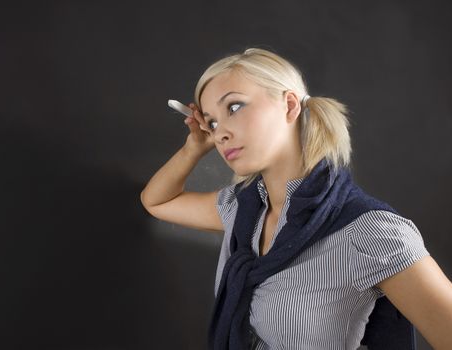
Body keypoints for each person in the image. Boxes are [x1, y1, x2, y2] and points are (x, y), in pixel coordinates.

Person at [140, 48, 452, 349]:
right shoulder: (243, 210)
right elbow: (157, 202)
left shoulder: (371, 234)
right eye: (212, 123)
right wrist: (192, 148)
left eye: (234, 107)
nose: (219, 133)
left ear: (290, 105)